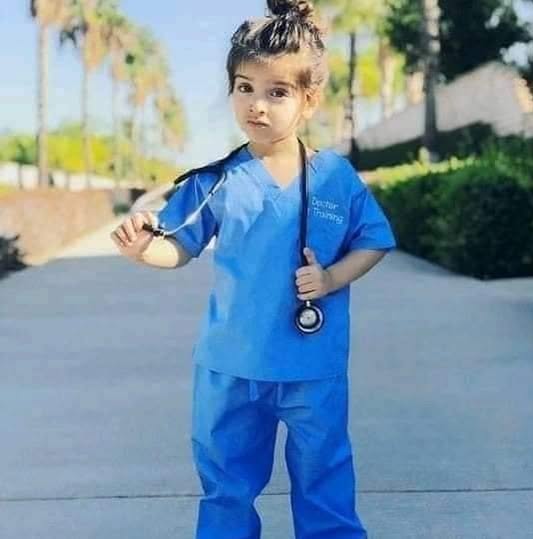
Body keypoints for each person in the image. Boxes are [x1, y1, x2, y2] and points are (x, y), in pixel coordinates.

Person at [111, 1, 396, 537]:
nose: (256, 105)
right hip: (231, 366)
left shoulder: (334, 177)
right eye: (244, 88)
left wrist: (332, 279)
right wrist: (142, 250)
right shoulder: (215, 180)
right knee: (227, 488)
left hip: (312, 365)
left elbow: (374, 240)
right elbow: (178, 246)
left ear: (309, 100)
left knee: (326, 481)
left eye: (276, 92)